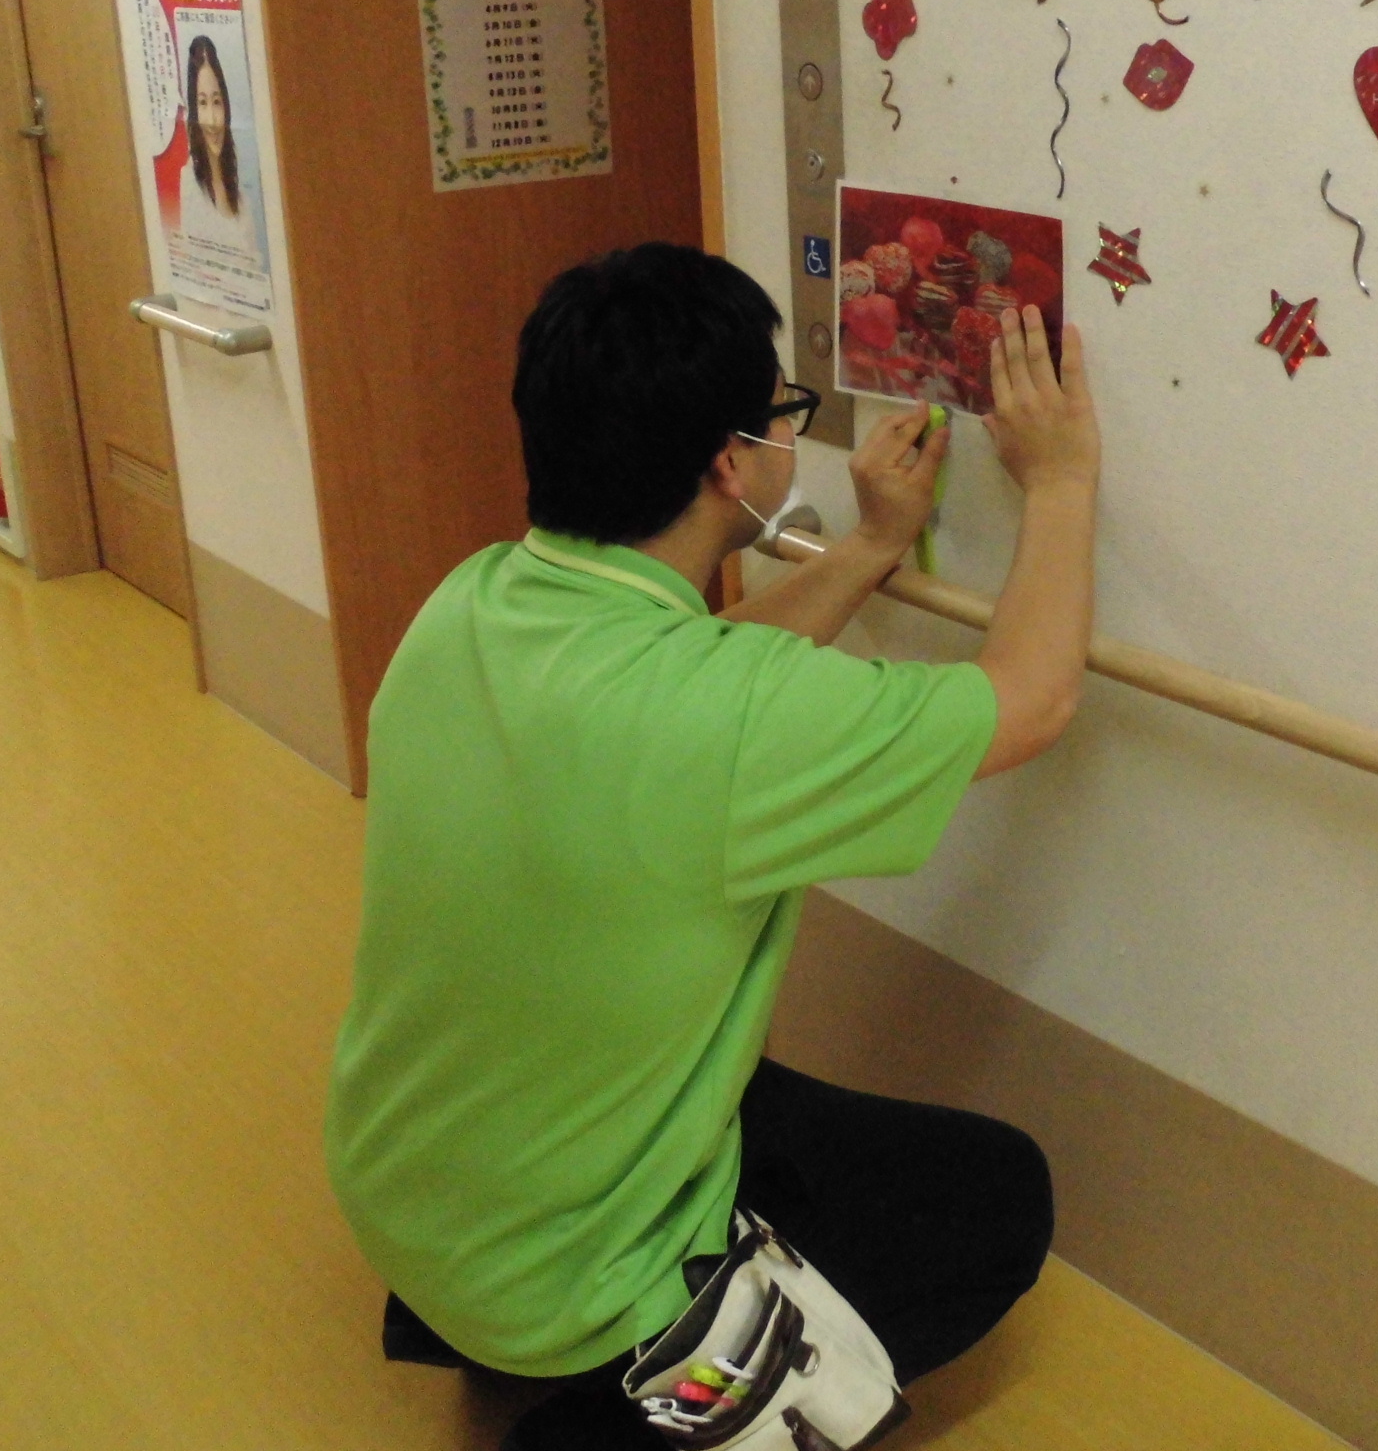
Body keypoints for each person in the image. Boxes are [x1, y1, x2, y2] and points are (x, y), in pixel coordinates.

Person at [324, 243, 1100, 1450]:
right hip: (553, 1278)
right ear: (732, 463)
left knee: (751, 1090)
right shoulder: (723, 721)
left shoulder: (469, 602)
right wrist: (1059, 480)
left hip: (407, 1198)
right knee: (997, 1197)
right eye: (783, 409)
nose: (790, 428)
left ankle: (482, 1314)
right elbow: (1033, 699)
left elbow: (715, 673)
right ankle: (608, 1413)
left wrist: (867, 548)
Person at [177, 32, 257, 259]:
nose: (212, 120)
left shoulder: (241, 200)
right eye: (202, 103)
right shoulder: (189, 184)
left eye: (217, 102)